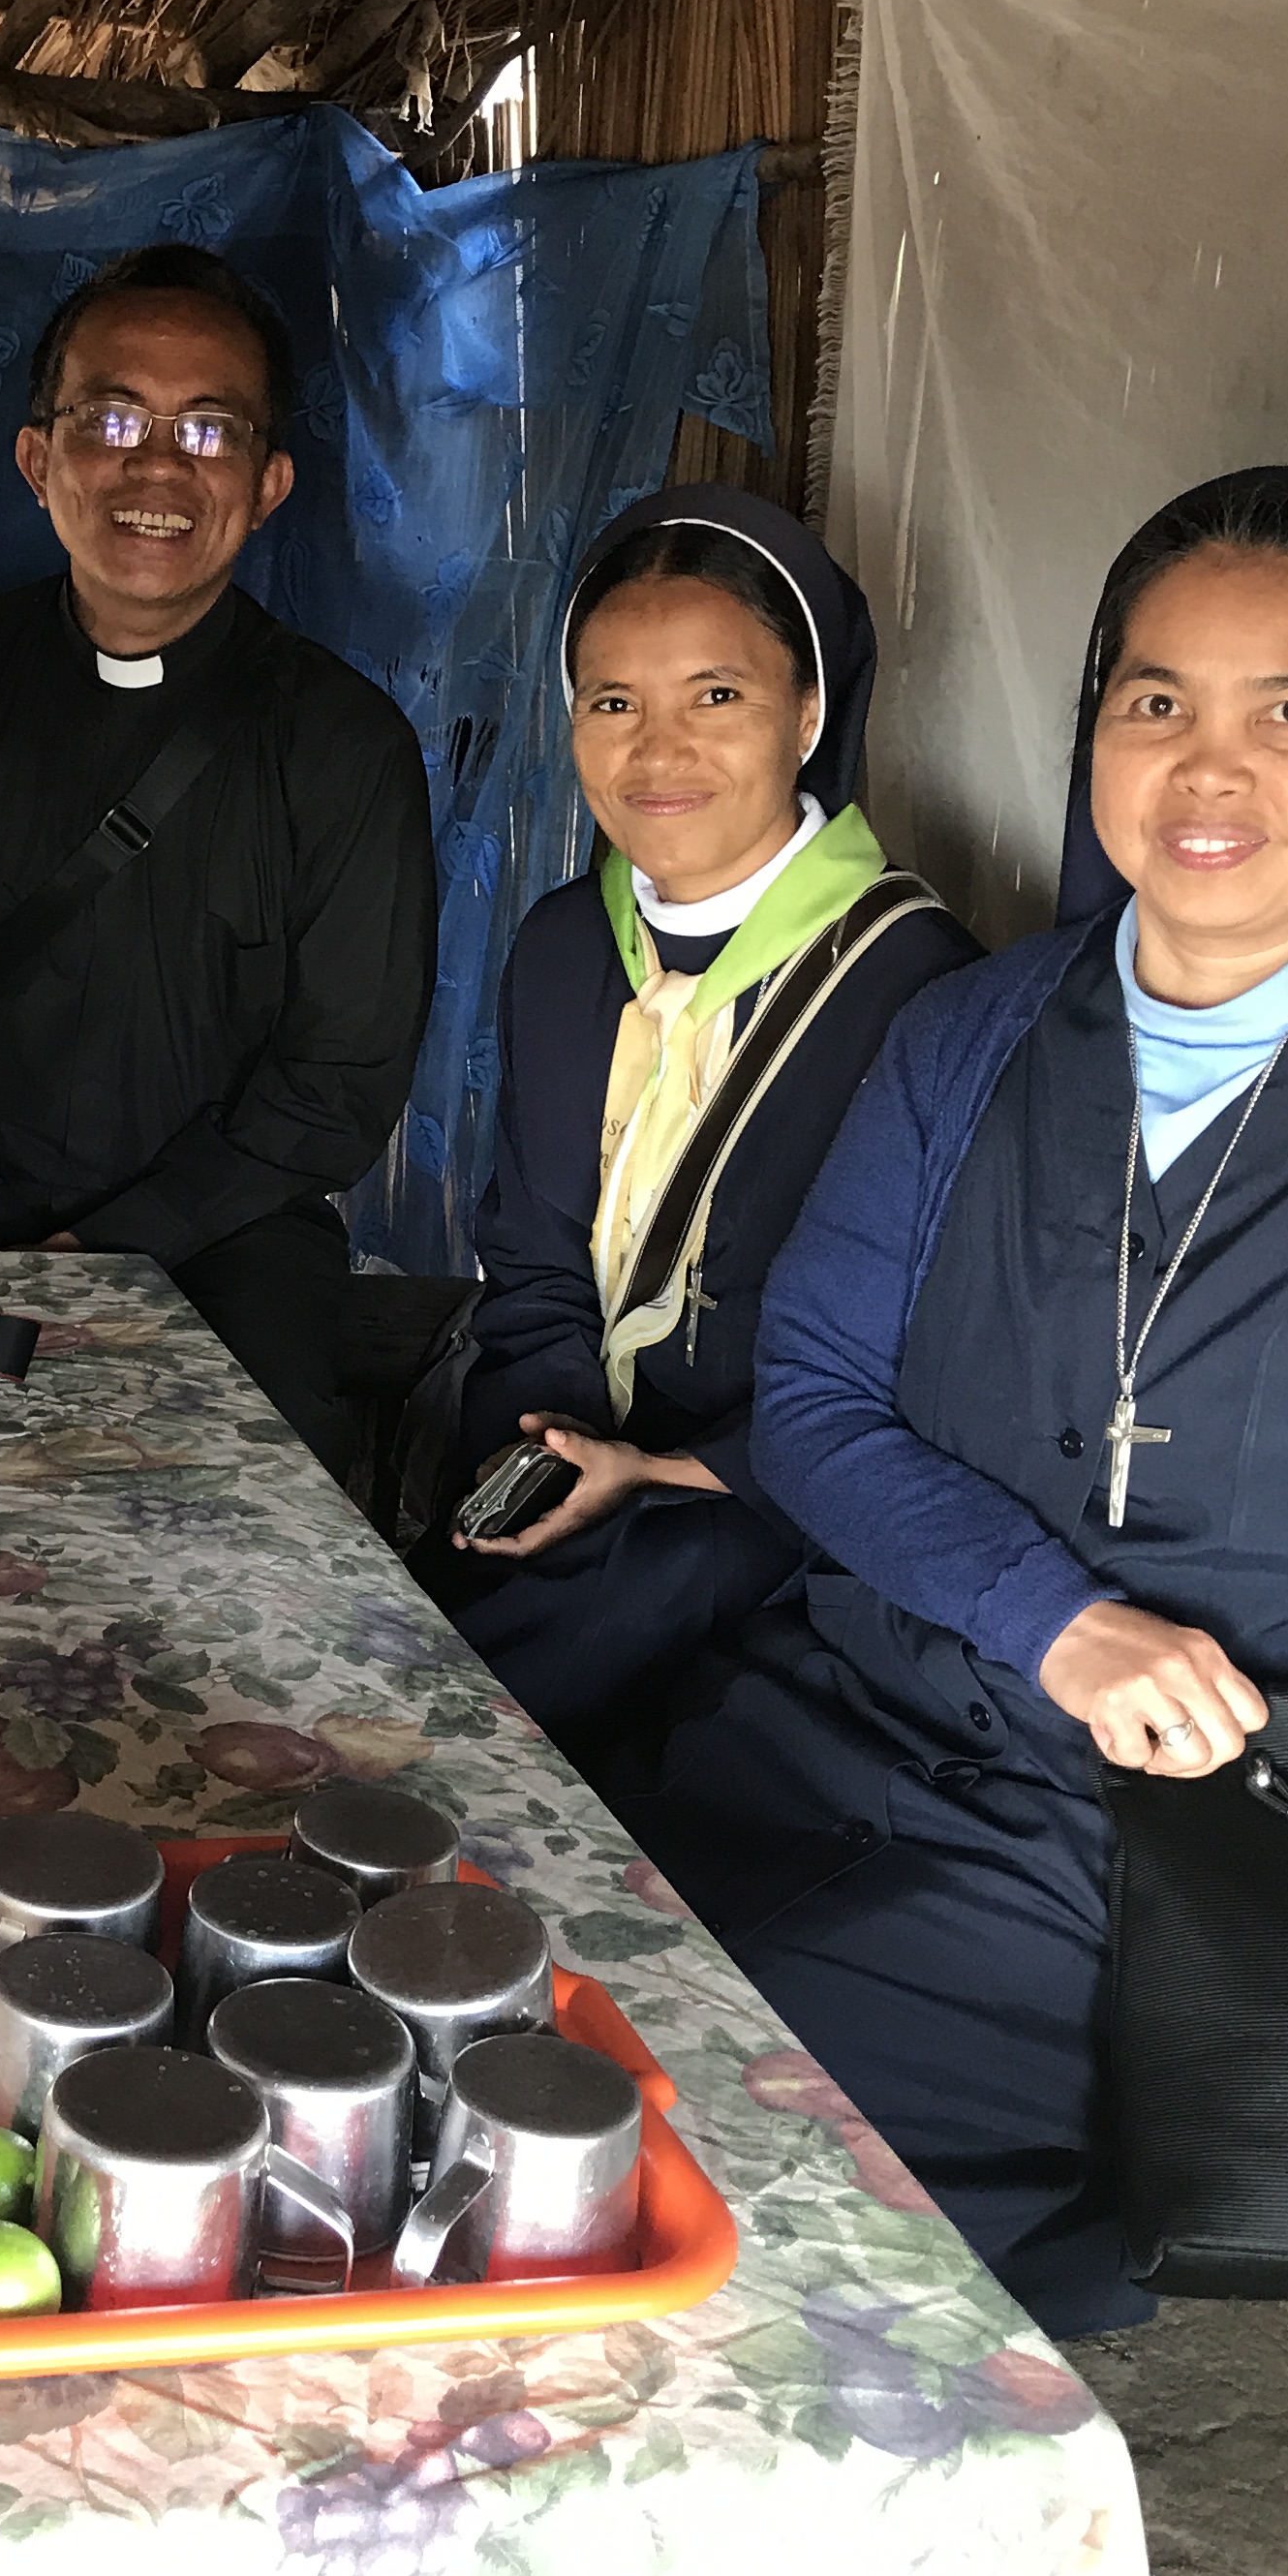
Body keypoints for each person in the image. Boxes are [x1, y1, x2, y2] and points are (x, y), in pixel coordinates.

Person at [631, 468, 1288, 2337]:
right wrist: (1050, 1613)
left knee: (708, 2184)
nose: (1209, 769)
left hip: (1222, 1841)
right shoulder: (969, 1037)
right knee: (516, 1992)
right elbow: (809, 1397)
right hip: (858, 1719)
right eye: (1155, 701)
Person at [0, 244, 436, 1484]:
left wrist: (110, 1248)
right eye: (114, 419)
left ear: (270, 483)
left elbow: (338, 1080)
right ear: (39, 460)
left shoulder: (345, 747)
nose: (158, 468)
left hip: (220, 1236)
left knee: (262, 1498)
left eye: (209, 431)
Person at [421, 492, 975, 1754]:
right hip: (571, 1446)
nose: (657, 750)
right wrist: (548, 1448)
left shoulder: (922, 988)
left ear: (810, 715)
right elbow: (533, 1258)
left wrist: (669, 1474)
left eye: (715, 696)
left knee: (478, 1703)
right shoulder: (566, 944)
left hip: (778, 1487)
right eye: (613, 702)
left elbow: (925, 1352)